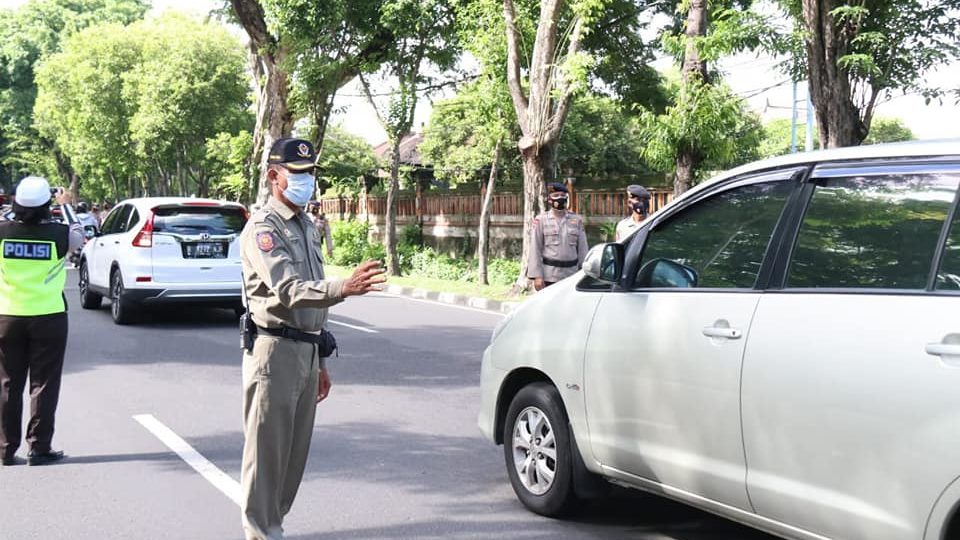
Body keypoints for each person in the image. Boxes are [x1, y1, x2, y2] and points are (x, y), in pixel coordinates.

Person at [239, 138, 386, 540]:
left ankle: (273, 527)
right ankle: (259, 532)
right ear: (274, 176)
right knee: (266, 457)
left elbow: (311, 305)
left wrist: (320, 361)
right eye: (299, 174)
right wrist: (345, 287)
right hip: (274, 351)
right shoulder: (263, 229)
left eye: (310, 173)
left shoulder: (305, 224)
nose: (308, 181)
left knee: (293, 458)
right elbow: (289, 289)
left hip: (304, 350)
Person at [0, 176, 83, 467]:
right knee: (44, 383)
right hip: (48, 316)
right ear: (48, 205)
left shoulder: (1, 232)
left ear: (16, 202)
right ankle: (39, 447)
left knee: (8, 384)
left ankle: (5, 449)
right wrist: (67, 206)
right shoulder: (60, 234)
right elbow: (80, 234)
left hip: (7, 316)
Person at [527, 182, 589, 291]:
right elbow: (535, 248)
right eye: (556, 196)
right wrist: (537, 276)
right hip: (549, 276)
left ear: (566, 198)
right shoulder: (541, 220)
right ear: (550, 200)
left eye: (562, 196)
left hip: (571, 275)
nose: (559, 198)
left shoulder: (576, 220)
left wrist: (585, 273)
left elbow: (583, 249)